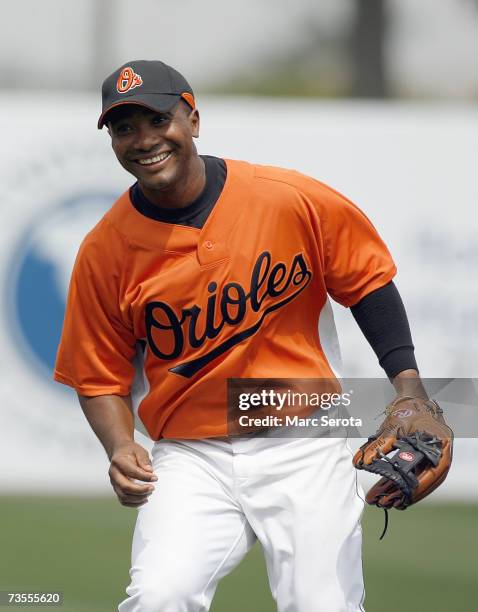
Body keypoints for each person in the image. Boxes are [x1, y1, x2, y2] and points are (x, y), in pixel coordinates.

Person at [54, 60, 442, 612]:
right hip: (191, 455)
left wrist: (408, 388)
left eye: (157, 119)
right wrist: (119, 447)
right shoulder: (105, 249)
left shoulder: (287, 198)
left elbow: (368, 282)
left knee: (321, 606)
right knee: (159, 597)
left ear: (192, 118)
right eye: (124, 128)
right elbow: (96, 376)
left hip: (304, 439)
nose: (143, 140)